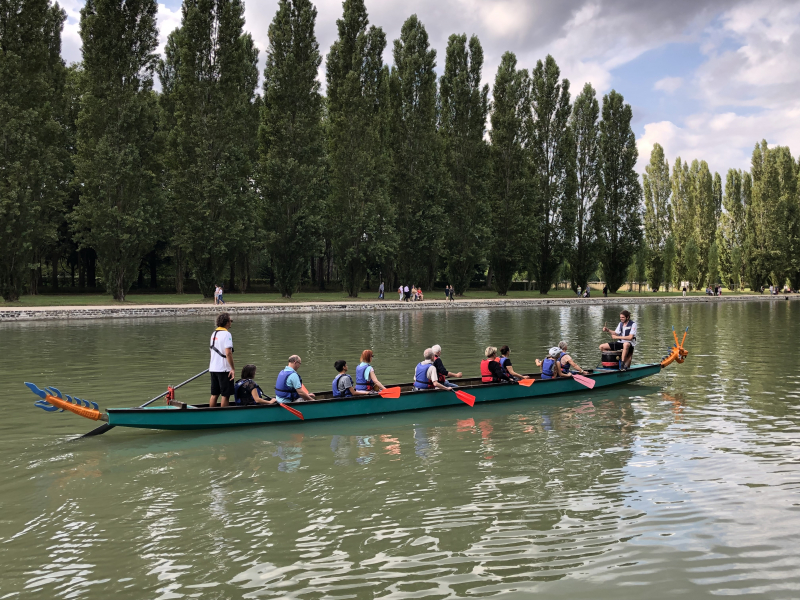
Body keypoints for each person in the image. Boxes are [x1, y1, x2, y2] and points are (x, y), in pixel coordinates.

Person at [209, 312, 235, 407]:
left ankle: (211, 415)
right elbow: (228, 353)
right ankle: (224, 416)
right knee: (225, 395)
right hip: (224, 369)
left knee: (214, 394)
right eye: (230, 321)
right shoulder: (226, 334)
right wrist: (232, 368)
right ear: (227, 322)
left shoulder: (214, 333)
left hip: (213, 368)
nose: (231, 323)